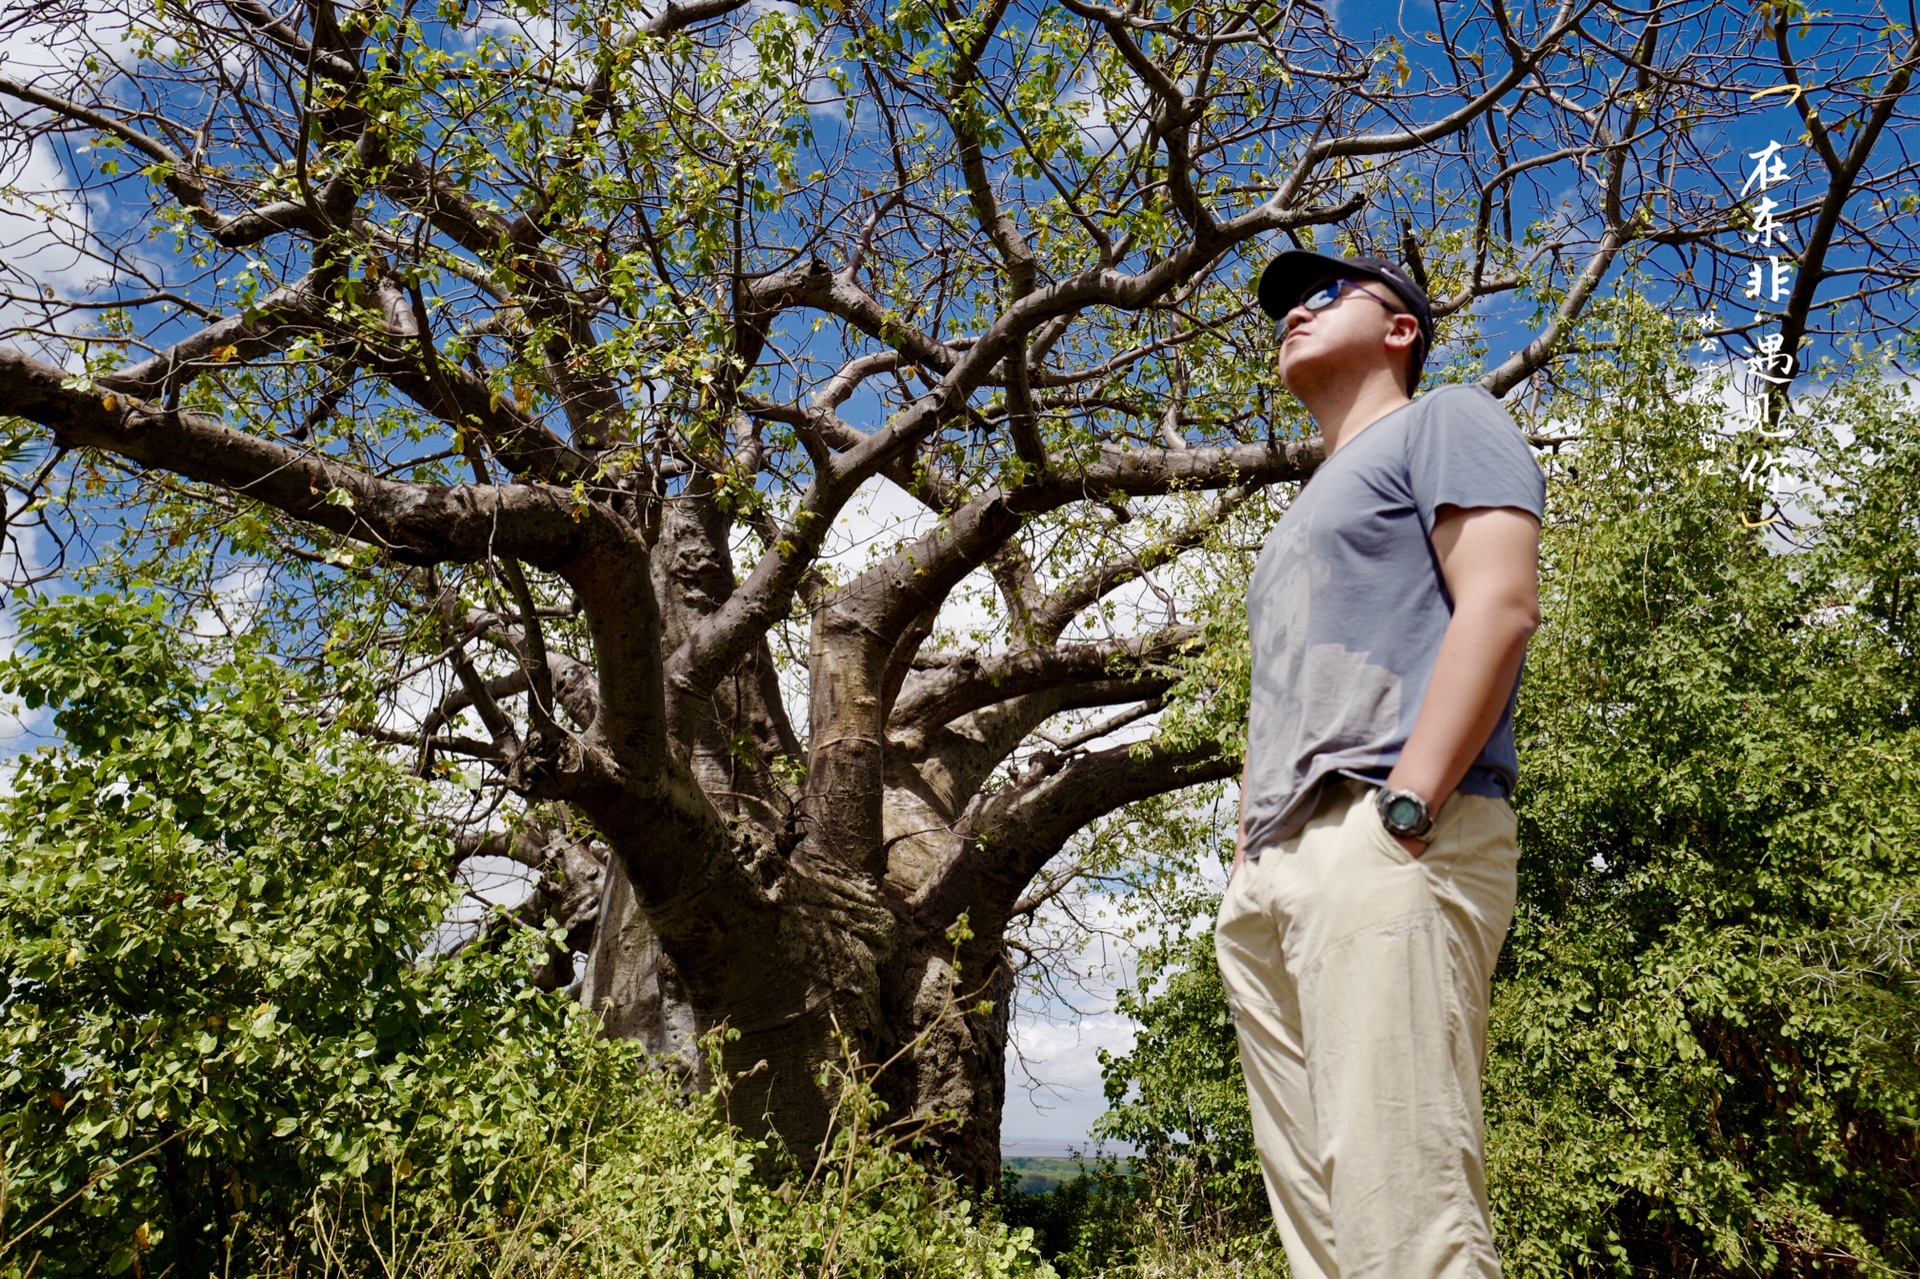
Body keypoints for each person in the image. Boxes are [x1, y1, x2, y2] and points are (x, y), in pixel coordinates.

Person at [1214, 251, 1545, 1279]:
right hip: (1277, 869)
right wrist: (1246, 854)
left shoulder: (1446, 418)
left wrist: (1409, 803)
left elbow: (1498, 603)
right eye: (1282, 307)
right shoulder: (1299, 514)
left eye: (1323, 296)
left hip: (1389, 834)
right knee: (1325, 1234)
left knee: (1408, 1223)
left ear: (1401, 328)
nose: (1292, 315)